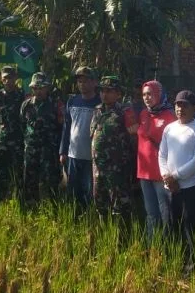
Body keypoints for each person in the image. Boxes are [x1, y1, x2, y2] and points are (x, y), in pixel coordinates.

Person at [159, 90, 195, 272]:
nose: (180, 109)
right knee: (170, 225)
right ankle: (173, 261)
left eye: (185, 105)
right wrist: (166, 176)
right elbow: (162, 154)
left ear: (194, 108)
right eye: (178, 105)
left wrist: (176, 176)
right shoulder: (169, 128)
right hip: (169, 187)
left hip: (191, 187)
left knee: (191, 227)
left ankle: (194, 266)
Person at [90, 76, 136, 222]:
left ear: (118, 94)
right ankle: (105, 236)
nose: (104, 94)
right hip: (98, 168)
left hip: (117, 170)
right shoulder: (97, 110)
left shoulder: (125, 112)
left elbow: (134, 140)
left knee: (120, 208)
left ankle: (121, 241)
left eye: (109, 91)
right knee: (100, 205)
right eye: (102, 91)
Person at [137, 80, 177, 239]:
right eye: (144, 94)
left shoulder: (170, 116)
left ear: (159, 95)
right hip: (143, 172)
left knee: (165, 213)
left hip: (161, 174)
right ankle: (152, 247)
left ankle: (167, 246)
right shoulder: (143, 114)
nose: (147, 97)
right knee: (151, 213)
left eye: (150, 94)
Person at [60, 67, 101, 208]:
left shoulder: (100, 102)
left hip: (91, 156)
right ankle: (74, 220)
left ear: (94, 82)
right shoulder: (72, 101)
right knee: (73, 191)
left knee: (89, 192)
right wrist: (63, 151)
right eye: (79, 81)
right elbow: (67, 127)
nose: (82, 84)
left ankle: (89, 220)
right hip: (73, 155)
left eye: (86, 81)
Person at [21, 72, 64, 204]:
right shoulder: (26, 105)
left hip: (49, 150)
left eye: (41, 88)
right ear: (32, 88)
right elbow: (22, 124)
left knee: (50, 181)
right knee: (29, 180)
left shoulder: (56, 105)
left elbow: (62, 127)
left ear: (47, 88)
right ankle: (30, 207)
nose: (38, 91)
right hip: (31, 150)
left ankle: (52, 209)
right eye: (35, 88)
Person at [0, 66, 25, 201]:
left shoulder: (22, 96)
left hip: (17, 142)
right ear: (1, 79)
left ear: (16, 79)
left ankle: (19, 203)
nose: (8, 81)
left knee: (18, 175)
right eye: (5, 78)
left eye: (11, 78)